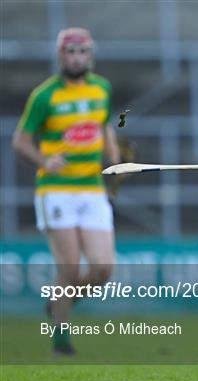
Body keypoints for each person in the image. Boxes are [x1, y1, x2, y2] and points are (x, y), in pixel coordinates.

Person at [12, 28, 120, 355]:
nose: (77, 58)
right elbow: (20, 141)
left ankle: (60, 300)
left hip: (92, 189)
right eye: (71, 52)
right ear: (61, 56)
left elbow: (103, 125)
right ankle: (61, 335)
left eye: (82, 52)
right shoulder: (45, 96)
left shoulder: (102, 88)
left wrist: (112, 154)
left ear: (90, 54)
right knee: (70, 269)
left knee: (103, 269)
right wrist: (45, 160)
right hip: (56, 190)